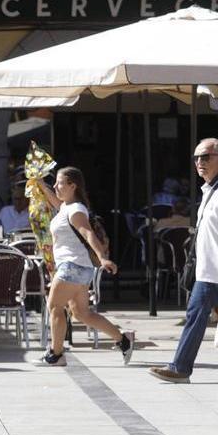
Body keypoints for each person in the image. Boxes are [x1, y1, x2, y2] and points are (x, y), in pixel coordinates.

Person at [35, 166, 135, 367]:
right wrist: (42, 186)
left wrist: (103, 257)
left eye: (60, 183)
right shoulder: (66, 207)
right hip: (78, 267)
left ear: (73, 186)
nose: (56, 186)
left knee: (54, 306)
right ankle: (124, 339)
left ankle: (56, 354)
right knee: (82, 313)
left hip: (72, 266)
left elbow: (88, 234)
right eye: (54, 183)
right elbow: (56, 205)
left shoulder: (76, 210)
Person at [151, 139, 218, 383]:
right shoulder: (209, 191)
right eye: (197, 158)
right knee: (195, 314)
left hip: (213, 272)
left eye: (206, 157)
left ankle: (180, 368)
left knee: (195, 314)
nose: (200, 162)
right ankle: (180, 367)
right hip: (208, 270)